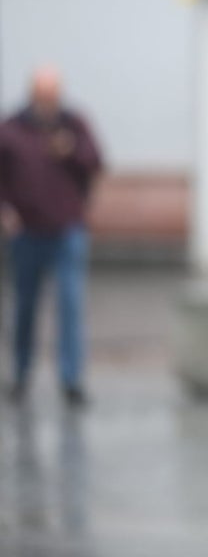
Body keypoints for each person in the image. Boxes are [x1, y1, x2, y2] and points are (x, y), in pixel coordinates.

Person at [0, 66, 103, 406]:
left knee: (70, 305)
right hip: (26, 232)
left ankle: (71, 380)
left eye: (53, 95)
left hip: (66, 231)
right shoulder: (11, 129)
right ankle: (21, 374)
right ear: (32, 95)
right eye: (42, 95)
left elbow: (96, 162)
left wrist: (70, 151)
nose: (48, 102)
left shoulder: (74, 125)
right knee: (25, 307)